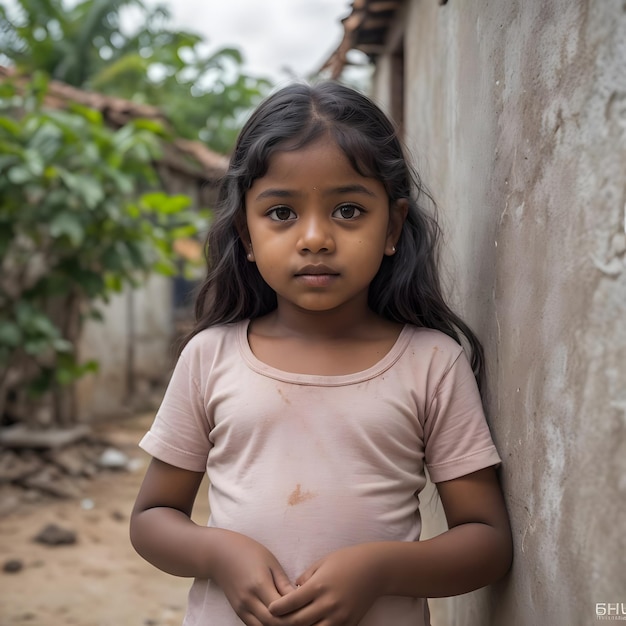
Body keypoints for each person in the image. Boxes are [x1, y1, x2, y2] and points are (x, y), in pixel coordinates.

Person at [130, 81, 513, 626]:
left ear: (393, 226)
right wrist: (221, 553)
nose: (315, 238)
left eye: (349, 210)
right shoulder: (211, 357)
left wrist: (379, 570)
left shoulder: (431, 363)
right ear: (246, 232)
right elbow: (152, 517)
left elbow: (486, 542)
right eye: (282, 213)